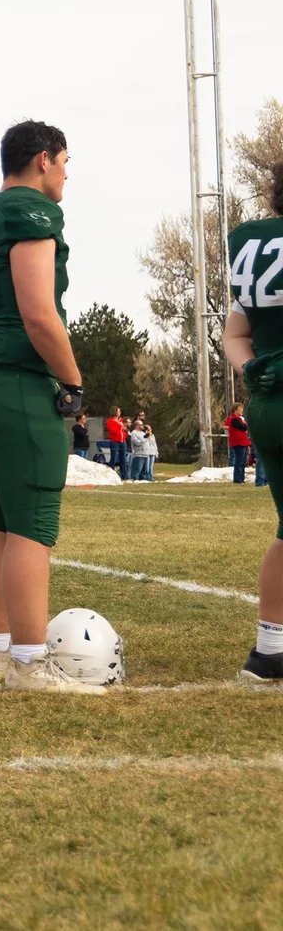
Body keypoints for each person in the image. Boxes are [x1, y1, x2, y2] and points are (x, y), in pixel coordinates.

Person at [0, 119, 101, 694]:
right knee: (31, 528)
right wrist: (74, 381)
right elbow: (38, 312)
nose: (66, 173)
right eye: (64, 161)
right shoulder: (30, 212)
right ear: (43, 160)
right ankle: (31, 664)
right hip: (19, 384)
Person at [224, 164, 283, 685]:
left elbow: (234, 336)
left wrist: (259, 373)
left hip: (267, 405)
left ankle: (270, 650)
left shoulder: (255, 247)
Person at [227, 403, 253, 483]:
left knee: (243, 462)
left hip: (243, 441)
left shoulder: (240, 419)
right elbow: (243, 427)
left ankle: (241, 478)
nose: (241, 410)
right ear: (235, 410)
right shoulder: (234, 419)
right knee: (239, 461)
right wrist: (245, 424)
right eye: (240, 409)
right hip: (238, 442)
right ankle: (237, 479)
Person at [105, 406, 130, 478]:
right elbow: (113, 431)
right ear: (115, 412)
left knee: (123, 459)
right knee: (113, 458)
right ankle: (110, 475)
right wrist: (120, 426)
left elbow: (123, 430)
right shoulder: (110, 421)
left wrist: (124, 434)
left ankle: (124, 476)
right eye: (118, 411)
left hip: (122, 441)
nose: (120, 412)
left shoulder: (120, 420)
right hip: (115, 441)